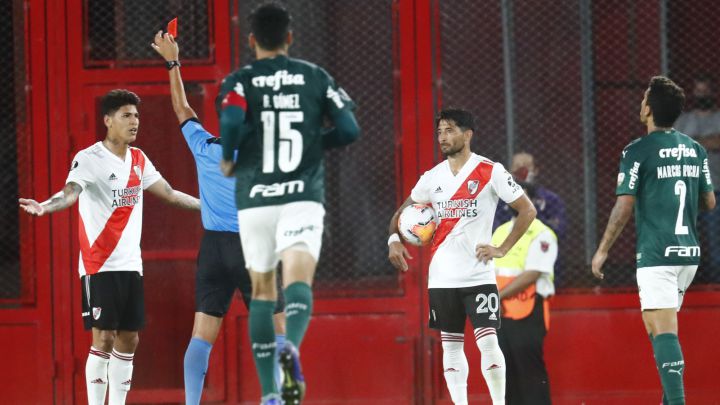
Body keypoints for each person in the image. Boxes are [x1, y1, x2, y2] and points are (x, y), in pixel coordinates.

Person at [216, 3, 361, 405]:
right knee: (298, 280)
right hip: (301, 195)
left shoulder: (239, 81)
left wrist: (227, 156)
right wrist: (314, 144)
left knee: (263, 291)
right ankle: (291, 345)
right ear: (290, 37)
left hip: (255, 196)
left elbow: (231, 120)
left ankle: (269, 393)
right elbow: (349, 129)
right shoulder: (314, 76)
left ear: (251, 40)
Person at [18, 89, 201, 405]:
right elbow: (70, 192)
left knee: (129, 339)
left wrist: (208, 207)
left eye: (136, 116)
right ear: (108, 120)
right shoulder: (89, 158)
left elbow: (170, 194)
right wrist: (45, 206)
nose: (134, 122)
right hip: (98, 264)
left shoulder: (139, 159)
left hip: (131, 265)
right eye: (126, 115)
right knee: (103, 337)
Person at [150, 32, 286, 404]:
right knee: (278, 331)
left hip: (212, 250)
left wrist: (173, 61)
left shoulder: (205, 146)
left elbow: (182, 108)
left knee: (202, 335)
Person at [388, 108, 537, 405]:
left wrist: (502, 248)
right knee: (451, 347)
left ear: (468, 134)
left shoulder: (490, 171)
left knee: (488, 342)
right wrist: (394, 240)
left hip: (479, 275)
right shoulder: (431, 178)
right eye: (440, 132)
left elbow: (527, 210)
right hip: (442, 278)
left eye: (450, 130)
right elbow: (400, 216)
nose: (442, 137)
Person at [592, 76, 716, 405]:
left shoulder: (637, 150)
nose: (641, 102)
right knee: (656, 327)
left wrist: (602, 250)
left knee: (663, 331)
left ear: (648, 109)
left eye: (644, 97)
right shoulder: (696, 149)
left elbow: (624, 206)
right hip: (688, 254)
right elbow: (709, 202)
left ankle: (677, 402)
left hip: (657, 253)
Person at [492, 183, 556, 405]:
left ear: (533, 202)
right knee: (505, 373)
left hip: (528, 310)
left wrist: (497, 297)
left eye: (522, 196)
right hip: (501, 312)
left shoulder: (542, 234)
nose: (515, 200)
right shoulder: (500, 232)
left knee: (530, 372)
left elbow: (533, 273)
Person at [674, 75, 720, 278]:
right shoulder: (684, 120)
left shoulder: (718, 118)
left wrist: (691, 143)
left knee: (714, 236)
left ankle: (715, 277)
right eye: (698, 91)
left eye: (705, 91)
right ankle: (691, 276)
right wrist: (707, 142)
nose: (702, 96)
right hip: (686, 188)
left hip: (714, 187)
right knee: (686, 236)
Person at [494, 152, 566, 239]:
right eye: (517, 167)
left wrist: (531, 207)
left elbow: (559, 231)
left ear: (535, 171)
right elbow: (494, 228)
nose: (522, 171)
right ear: (510, 171)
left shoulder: (550, 199)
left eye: (527, 166)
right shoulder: (501, 199)